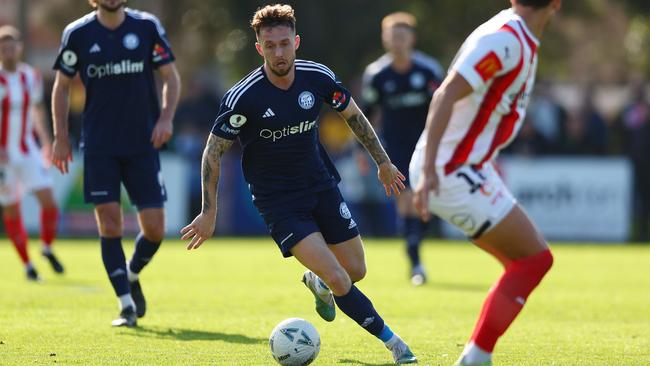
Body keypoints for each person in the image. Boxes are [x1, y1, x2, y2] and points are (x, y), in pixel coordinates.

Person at [181, 4, 417, 364]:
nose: (278, 52)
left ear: (296, 43)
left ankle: (317, 281)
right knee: (341, 278)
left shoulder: (317, 78)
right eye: (270, 45)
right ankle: (395, 344)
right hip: (279, 203)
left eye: (284, 43)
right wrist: (208, 212)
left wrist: (382, 162)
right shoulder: (244, 97)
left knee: (356, 271)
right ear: (259, 48)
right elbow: (212, 154)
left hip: (321, 186)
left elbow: (354, 115)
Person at [410, 1, 561, 365]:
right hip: (452, 171)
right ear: (556, 4)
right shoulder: (506, 40)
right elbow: (445, 93)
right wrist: (430, 170)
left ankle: (477, 355)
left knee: (526, 262)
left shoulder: (516, 35)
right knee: (534, 260)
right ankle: (477, 357)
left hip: (465, 166)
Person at [51, 0, 181, 327]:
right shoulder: (78, 33)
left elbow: (171, 77)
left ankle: (132, 273)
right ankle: (125, 305)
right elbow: (62, 86)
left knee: (155, 228)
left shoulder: (147, 27)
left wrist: (166, 118)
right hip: (99, 147)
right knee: (110, 224)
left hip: (142, 144)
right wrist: (61, 135)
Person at [361, 12, 444, 286]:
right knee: (406, 202)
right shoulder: (377, 75)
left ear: (412, 39)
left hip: (426, 147)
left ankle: (415, 252)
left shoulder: (428, 71)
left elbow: (443, 110)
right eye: (391, 36)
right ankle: (415, 262)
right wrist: (363, 152)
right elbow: (364, 117)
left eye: (401, 36)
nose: (396, 42)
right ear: (385, 40)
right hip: (393, 150)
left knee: (422, 206)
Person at [0, 25, 63, 281]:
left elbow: (37, 112)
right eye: (4, 48)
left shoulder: (31, 76)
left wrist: (47, 142)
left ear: (20, 48)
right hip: (3, 157)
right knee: (12, 210)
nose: (9, 51)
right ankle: (27, 265)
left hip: (27, 151)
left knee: (49, 202)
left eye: (12, 46)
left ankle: (46, 247)